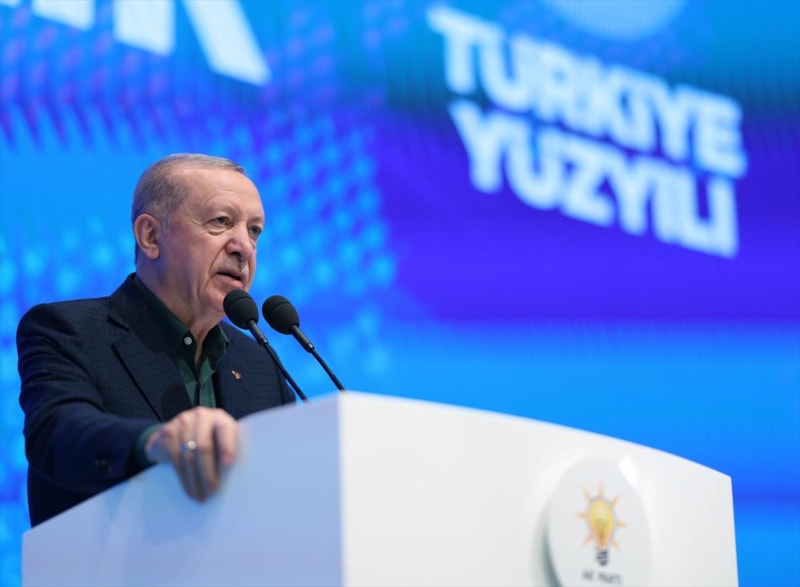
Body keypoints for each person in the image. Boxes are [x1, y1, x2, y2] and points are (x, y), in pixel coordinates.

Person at [16, 154, 296, 527]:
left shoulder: (260, 365)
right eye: (221, 221)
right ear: (150, 236)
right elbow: (58, 435)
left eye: (255, 230)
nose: (244, 247)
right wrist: (156, 442)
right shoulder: (69, 330)